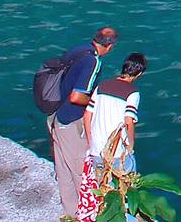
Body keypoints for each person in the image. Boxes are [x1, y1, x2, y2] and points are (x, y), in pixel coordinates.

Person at [48, 27, 118, 219]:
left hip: (56, 116)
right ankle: (89, 215)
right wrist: (95, 103)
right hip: (71, 120)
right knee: (81, 170)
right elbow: (77, 96)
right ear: (110, 46)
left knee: (63, 169)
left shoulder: (78, 49)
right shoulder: (93, 61)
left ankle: (71, 213)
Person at [78, 51, 147, 222]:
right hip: (118, 153)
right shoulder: (132, 93)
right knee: (125, 193)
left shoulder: (102, 86)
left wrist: (90, 140)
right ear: (139, 73)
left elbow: (87, 114)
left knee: (102, 192)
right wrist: (130, 145)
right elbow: (129, 121)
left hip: (97, 148)